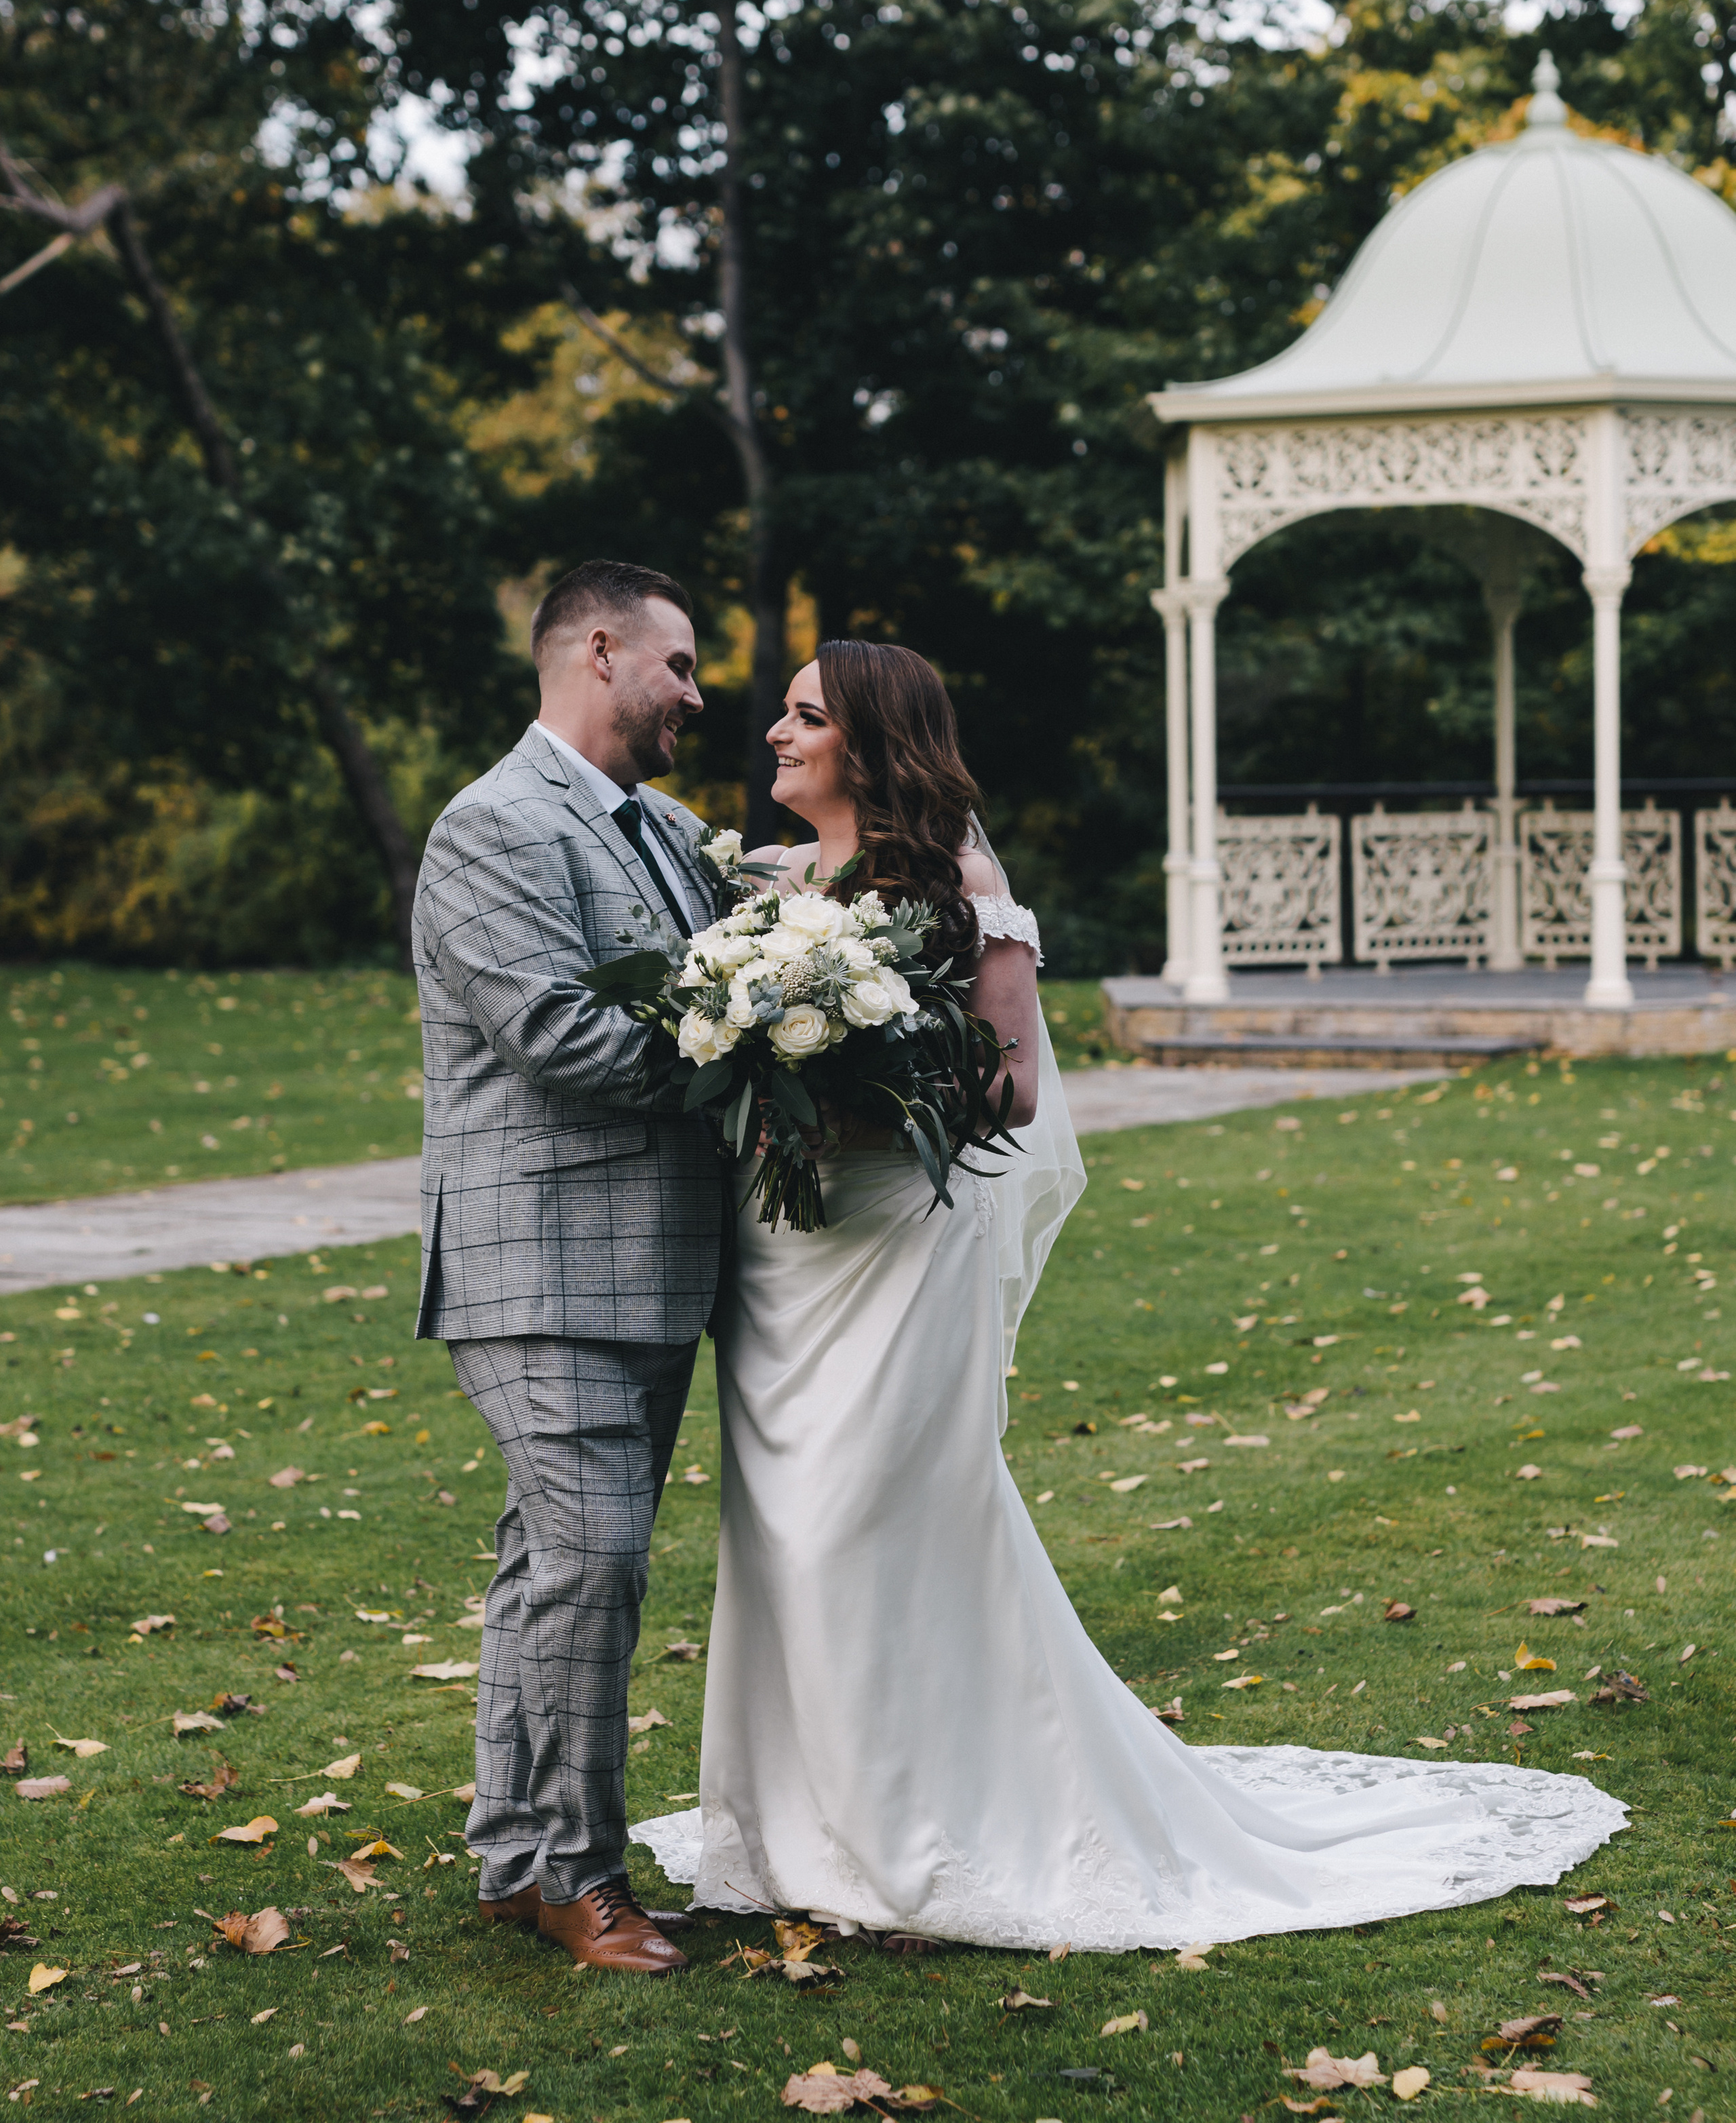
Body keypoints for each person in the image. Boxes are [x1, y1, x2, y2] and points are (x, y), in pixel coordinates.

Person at [630, 639, 1627, 1953]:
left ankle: (917, 1823)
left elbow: (1011, 1089)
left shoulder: (957, 883)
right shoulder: (753, 882)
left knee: (859, 1523)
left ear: (870, 744)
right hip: (781, 1256)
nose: (772, 730)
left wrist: (849, 1096)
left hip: (889, 1243)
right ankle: (790, 1828)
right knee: (777, 1539)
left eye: (804, 715)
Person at [414, 558, 726, 1976]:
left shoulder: (657, 828)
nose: (695, 692)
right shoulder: (492, 826)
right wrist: (770, 1053)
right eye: (678, 664)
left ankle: (512, 1856)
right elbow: (567, 1037)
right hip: (536, 1259)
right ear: (598, 653)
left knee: (553, 1563)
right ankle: (577, 1878)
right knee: (594, 1560)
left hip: (651, 1260)